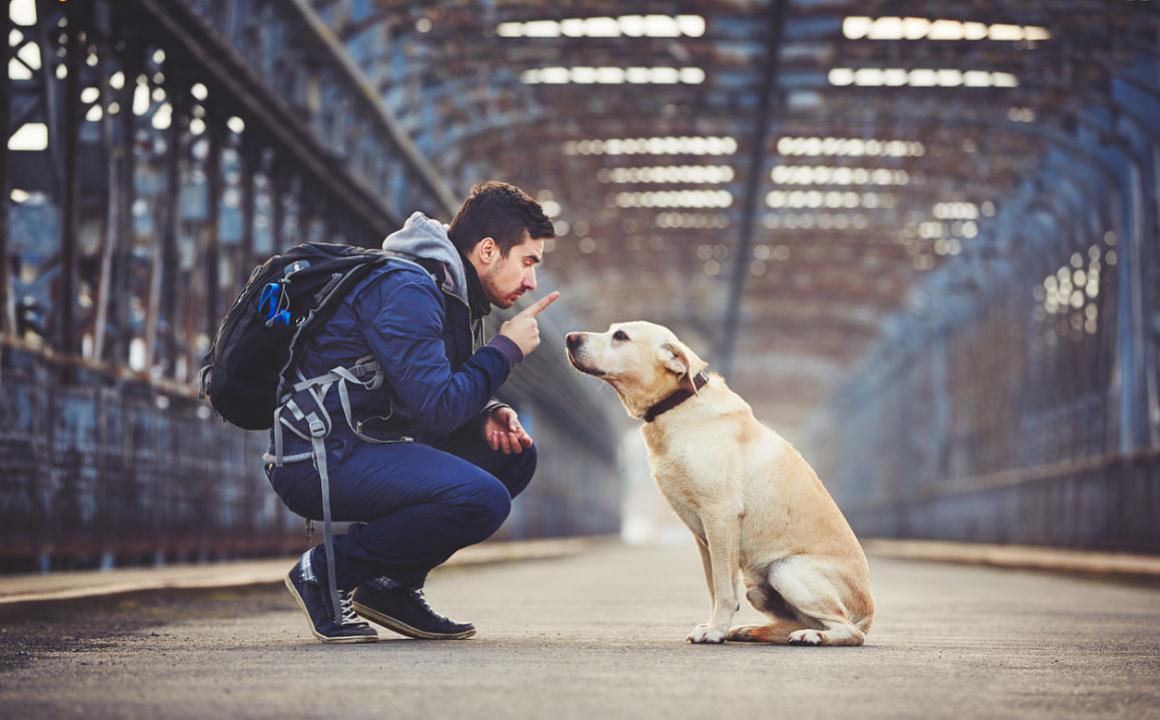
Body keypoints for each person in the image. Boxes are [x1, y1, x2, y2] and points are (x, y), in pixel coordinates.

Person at [268, 181, 560, 643]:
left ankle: (390, 586)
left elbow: (430, 392)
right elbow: (436, 409)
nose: (531, 281)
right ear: (487, 250)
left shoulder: (452, 294)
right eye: (528, 261)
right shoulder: (407, 289)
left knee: (512, 456)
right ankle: (323, 572)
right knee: (482, 498)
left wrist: (487, 411)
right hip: (324, 454)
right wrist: (505, 350)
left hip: (369, 440)